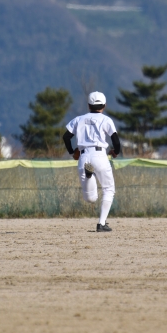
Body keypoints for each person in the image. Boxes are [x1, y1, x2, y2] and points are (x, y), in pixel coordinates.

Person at [63, 91, 121, 232]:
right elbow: (116, 141)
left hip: (84, 156)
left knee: (90, 199)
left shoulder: (79, 119)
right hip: (100, 155)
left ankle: (89, 176)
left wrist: (72, 152)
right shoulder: (106, 120)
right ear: (104, 105)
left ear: (89, 105)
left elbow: (66, 137)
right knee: (109, 190)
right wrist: (116, 151)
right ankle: (101, 223)